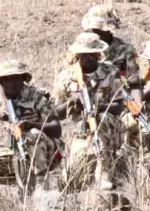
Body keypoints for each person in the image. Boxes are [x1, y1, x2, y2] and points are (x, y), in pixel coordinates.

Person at [53, 33, 125, 192]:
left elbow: (119, 106)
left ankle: (103, 169)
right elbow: (55, 114)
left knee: (100, 117)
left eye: (91, 54)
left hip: (109, 129)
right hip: (80, 134)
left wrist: (96, 106)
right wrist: (71, 103)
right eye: (83, 54)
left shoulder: (111, 71)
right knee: (71, 181)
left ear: (98, 53)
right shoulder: (66, 77)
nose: (87, 58)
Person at [0, 60, 64, 193]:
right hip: (11, 151)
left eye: (15, 78)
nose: (11, 83)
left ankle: (42, 185)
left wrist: (31, 124)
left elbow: (56, 128)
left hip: (46, 152)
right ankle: (19, 186)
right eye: (6, 80)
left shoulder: (37, 97)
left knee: (33, 134)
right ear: (1, 82)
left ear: (23, 79)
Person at [81, 4, 143, 96]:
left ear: (109, 30)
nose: (95, 33)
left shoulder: (126, 50)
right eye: (93, 29)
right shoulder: (82, 48)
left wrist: (137, 106)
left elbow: (134, 84)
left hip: (117, 100)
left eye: (99, 30)